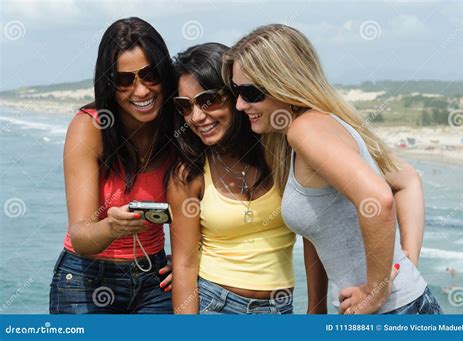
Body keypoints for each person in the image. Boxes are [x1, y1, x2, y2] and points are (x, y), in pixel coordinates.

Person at [223, 24, 442, 314]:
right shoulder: (316, 129)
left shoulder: (306, 131)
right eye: (236, 91)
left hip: (390, 312)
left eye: (250, 93)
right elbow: (407, 179)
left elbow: (378, 199)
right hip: (400, 306)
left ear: (283, 83)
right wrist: (405, 263)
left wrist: (377, 290)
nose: (239, 104)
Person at [49, 17, 175, 314]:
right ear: (109, 83)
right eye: (124, 80)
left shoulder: (178, 122)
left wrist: (185, 260)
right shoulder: (89, 128)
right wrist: (112, 227)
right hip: (85, 279)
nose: (141, 91)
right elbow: (81, 236)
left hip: (154, 280)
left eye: (150, 74)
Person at [167, 43, 296, 314]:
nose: (197, 117)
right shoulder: (188, 174)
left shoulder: (283, 152)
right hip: (215, 305)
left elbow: (316, 236)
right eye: (185, 106)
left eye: (208, 100)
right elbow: (184, 266)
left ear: (236, 95)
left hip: (281, 309)